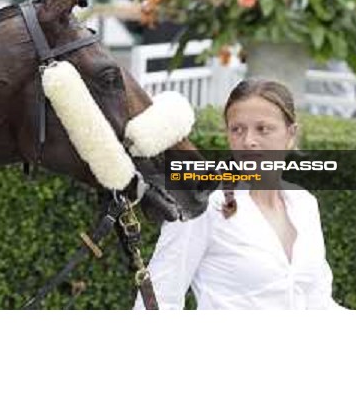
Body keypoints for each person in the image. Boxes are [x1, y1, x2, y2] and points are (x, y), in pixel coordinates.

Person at [134, 78, 344, 310]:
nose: (248, 141)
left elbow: (319, 302)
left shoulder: (304, 203)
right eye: (237, 130)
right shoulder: (203, 204)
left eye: (263, 129)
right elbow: (156, 302)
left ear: (290, 134)